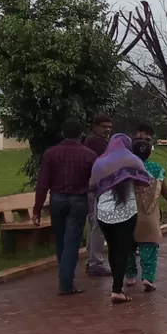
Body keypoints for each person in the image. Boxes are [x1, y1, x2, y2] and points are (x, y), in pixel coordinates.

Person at [33, 118, 98, 295]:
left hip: (57, 199)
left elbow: (42, 183)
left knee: (61, 240)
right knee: (72, 241)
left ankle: (65, 278)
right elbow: (96, 182)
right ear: (81, 135)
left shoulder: (51, 154)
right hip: (78, 200)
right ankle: (66, 283)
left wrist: (37, 209)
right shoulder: (89, 155)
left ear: (63, 134)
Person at [88, 133, 150, 304]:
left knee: (113, 249)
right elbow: (144, 180)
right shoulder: (132, 159)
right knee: (123, 250)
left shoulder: (101, 162)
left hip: (104, 212)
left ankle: (117, 287)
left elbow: (92, 185)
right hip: (127, 212)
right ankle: (116, 290)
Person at [127, 125, 167, 292]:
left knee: (128, 246)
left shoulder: (125, 168)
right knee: (149, 246)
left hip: (127, 214)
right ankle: (148, 277)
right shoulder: (156, 169)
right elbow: (164, 190)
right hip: (149, 215)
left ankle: (130, 275)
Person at [83, 114, 114, 276]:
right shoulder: (96, 142)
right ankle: (95, 262)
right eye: (104, 126)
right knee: (98, 224)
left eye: (109, 127)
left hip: (94, 186)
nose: (107, 130)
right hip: (96, 187)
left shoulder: (96, 141)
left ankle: (92, 260)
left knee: (94, 223)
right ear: (95, 126)